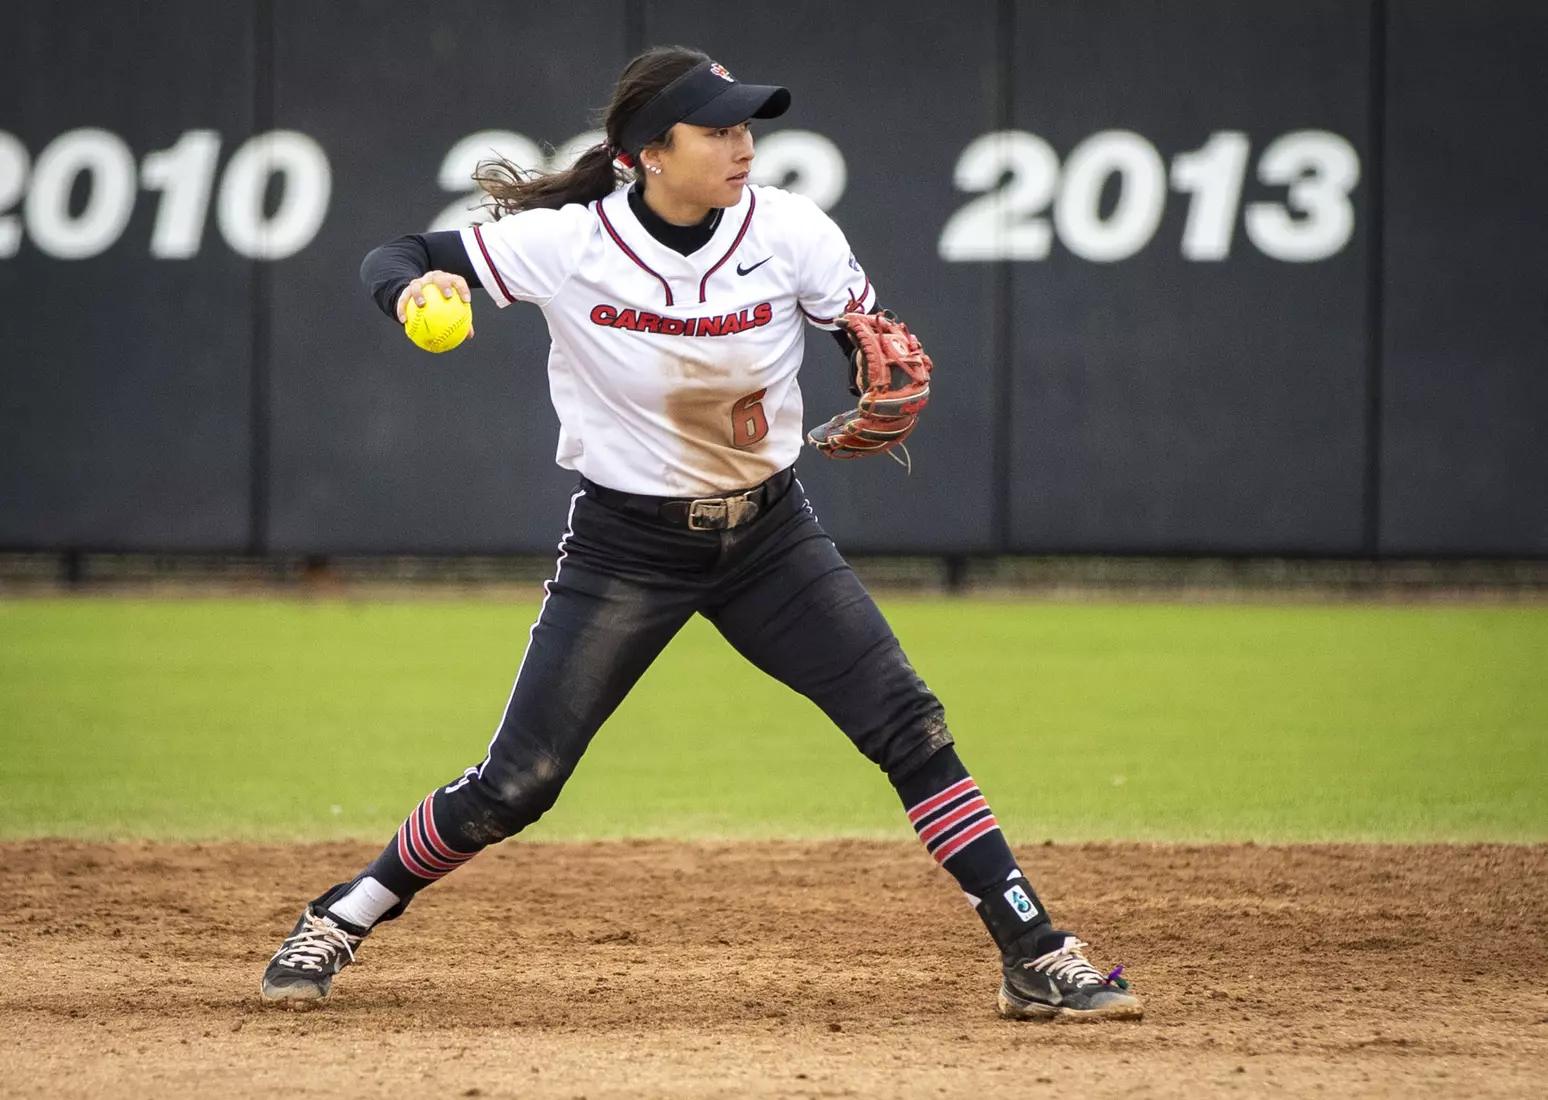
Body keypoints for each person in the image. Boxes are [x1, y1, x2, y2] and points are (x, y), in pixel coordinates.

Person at [259, 45, 1142, 1023]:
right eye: (716, 128)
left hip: (770, 539)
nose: (741, 144)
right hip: (626, 546)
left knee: (911, 726)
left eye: (745, 125)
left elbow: (863, 331)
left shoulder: (790, 230)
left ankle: (1037, 949)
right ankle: (342, 914)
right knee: (518, 783)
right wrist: (415, 294)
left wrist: (866, 358)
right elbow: (399, 254)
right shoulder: (569, 245)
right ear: (644, 151)